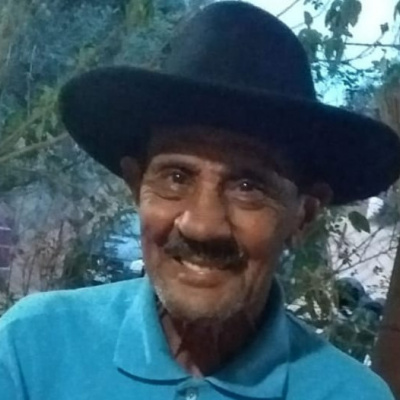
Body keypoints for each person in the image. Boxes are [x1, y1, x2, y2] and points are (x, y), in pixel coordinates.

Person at [1, 2, 400, 399]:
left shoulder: (350, 394)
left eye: (248, 187)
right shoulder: (33, 350)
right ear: (137, 186)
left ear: (304, 216)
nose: (202, 225)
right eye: (176, 178)